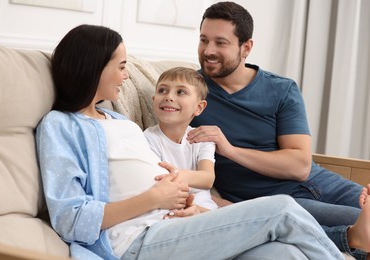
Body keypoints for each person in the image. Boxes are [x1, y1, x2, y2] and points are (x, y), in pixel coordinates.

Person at [35, 24, 344, 260]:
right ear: (94, 67)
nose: (126, 76)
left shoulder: (118, 121)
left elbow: (162, 182)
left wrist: (189, 204)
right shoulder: (61, 125)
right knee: (283, 210)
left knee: (282, 254)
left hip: (178, 225)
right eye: (121, 66)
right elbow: (70, 220)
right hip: (136, 240)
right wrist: (155, 198)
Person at [188, 2, 370, 259]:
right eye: (204, 40)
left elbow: (300, 165)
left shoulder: (281, 89)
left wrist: (229, 150)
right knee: (363, 227)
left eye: (220, 42)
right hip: (271, 200)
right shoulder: (191, 92)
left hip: (318, 182)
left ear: (246, 47)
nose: (208, 50)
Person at [144, 67, 217, 213]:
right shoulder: (148, 139)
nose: (169, 97)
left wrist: (180, 175)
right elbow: (160, 187)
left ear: (199, 107)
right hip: (172, 208)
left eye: (181, 92)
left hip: (206, 209)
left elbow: (208, 178)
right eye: (162, 90)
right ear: (154, 101)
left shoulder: (201, 138)